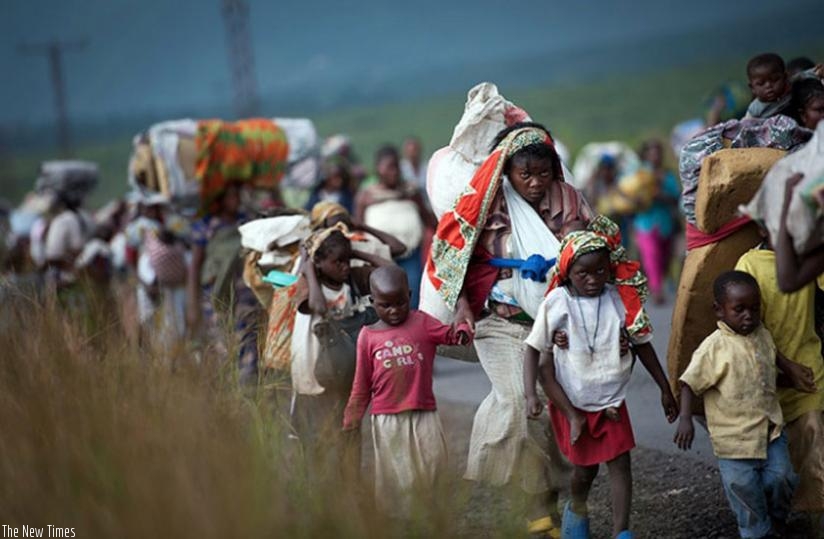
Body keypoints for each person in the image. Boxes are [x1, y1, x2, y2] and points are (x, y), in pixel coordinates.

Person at [427, 122, 592, 536]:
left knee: (552, 416)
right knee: (522, 401)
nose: (535, 183)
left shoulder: (567, 198)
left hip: (557, 324)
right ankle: (514, 490)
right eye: (525, 175)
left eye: (543, 173)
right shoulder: (482, 206)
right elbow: (451, 262)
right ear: (505, 172)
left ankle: (543, 505)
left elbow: (585, 253)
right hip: (499, 324)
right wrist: (463, 308)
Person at [524, 231, 676, 539]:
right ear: (568, 272)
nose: (593, 279)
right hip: (574, 400)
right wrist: (529, 394)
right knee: (585, 471)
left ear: (609, 270)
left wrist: (664, 387)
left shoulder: (620, 299)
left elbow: (641, 344)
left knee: (620, 464)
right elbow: (533, 348)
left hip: (611, 401)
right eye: (583, 273)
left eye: (600, 271)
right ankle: (577, 507)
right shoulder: (557, 302)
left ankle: (622, 532)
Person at [675, 271, 816, 539]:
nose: (748, 316)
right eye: (739, 309)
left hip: (769, 430)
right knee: (743, 488)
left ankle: (776, 518)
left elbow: (766, 371)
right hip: (733, 440)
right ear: (719, 310)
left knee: (783, 477)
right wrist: (684, 418)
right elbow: (689, 383)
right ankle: (755, 531)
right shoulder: (713, 349)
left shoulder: (763, 335)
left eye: (754, 308)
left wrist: (792, 380)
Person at [342, 265, 471, 518]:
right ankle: (405, 523)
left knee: (434, 468)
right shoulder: (368, 336)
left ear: (409, 295)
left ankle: (432, 519)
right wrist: (351, 419)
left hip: (425, 415)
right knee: (399, 478)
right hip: (388, 420)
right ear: (372, 302)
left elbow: (453, 337)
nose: (394, 311)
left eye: (400, 303)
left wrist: (462, 324)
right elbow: (361, 384)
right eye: (385, 305)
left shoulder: (422, 323)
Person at [736, 228, 824, 529]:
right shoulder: (748, 265)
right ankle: (773, 519)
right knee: (775, 470)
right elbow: (745, 329)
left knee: (815, 451)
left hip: (809, 369)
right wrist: (785, 369)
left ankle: (817, 524)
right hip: (764, 378)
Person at [290, 226, 392, 479]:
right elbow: (317, 307)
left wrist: (356, 253)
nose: (344, 266)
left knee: (349, 426)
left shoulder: (353, 279)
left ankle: (349, 481)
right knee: (321, 429)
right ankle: (324, 483)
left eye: (347, 260)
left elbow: (388, 273)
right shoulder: (308, 284)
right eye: (337, 262)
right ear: (319, 263)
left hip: (346, 367)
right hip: (317, 366)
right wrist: (309, 272)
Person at [188, 182, 260, 382]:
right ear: (219, 200)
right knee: (222, 342)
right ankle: (228, 390)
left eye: (238, 195)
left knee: (248, 337)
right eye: (231, 196)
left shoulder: (246, 222)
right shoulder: (205, 226)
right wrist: (192, 306)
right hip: (214, 293)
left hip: (244, 293)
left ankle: (248, 385)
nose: (236, 200)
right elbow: (195, 267)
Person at [354, 145, 436, 309]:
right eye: (390, 167)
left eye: (397, 166)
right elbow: (357, 228)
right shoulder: (367, 195)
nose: (395, 171)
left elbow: (431, 222)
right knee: (383, 301)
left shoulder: (411, 192)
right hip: (378, 258)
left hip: (410, 257)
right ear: (378, 169)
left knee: (410, 299)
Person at [632, 139, 681, 304]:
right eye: (651, 153)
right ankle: (656, 289)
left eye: (657, 152)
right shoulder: (639, 174)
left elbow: (676, 197)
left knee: (665, 256)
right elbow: (631, 195)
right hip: (645, 223)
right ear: (645, 155)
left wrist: (661, 193)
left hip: (665, 222)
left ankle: (662, 281)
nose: (655, 156)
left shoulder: (667, 175)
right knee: (651, 255)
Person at [744, 53, 793, 119]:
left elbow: (802, 76)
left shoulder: (791, 89)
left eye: (775, 80)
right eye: (761, 83)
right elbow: (745, 125)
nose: (768, 86)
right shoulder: (755, 108)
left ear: (785, 78)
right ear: (752, 88)